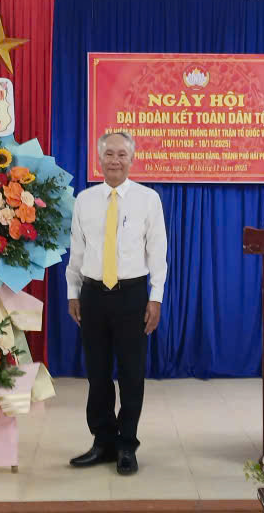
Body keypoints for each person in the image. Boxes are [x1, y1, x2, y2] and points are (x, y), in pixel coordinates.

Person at [66, 132, 167, 476]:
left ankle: (127, 445)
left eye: (122, 154)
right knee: (97, 374)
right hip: (93, 294)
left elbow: (158, 252)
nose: (115, 160)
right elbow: (77, 250)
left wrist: (156, 298)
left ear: (132, 159)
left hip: (132, 295)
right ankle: (103, 441)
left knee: (131, 374)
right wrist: (73, 291)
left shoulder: (148, 199)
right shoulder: (85, 200)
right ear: (99, 159)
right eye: (109, 154)